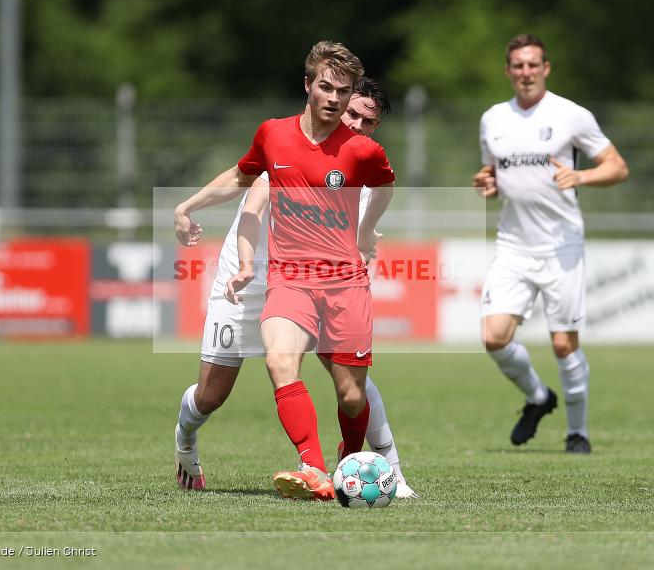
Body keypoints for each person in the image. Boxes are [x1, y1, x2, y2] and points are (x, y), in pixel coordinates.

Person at [173, 77, 416, 498]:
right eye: (352, 114)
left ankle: (386, 472)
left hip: (307, 282)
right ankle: (185, 440)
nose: (356, 124)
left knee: (349, 377)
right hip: (246, 278)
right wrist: (201, 219)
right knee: (212, 395)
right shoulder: (294, 145)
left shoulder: (359, 164)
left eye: (368, 121)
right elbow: (250, 200)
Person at [223, 41, 395, 500]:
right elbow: (245, 181)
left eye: (344, 91)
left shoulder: (363, 150)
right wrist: (194, 212)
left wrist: (365, 232)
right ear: (308, 85)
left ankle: (350, 460)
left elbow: (385, 186)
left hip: (345, 282)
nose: (334, 99)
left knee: (352, 396)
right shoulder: (273, 135)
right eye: (326, 87)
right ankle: (313, 467)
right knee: (280, 361)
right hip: (290, 278)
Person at [472, 34, 629, 454]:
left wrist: (581, 176)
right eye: (518, 65)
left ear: (545, 69)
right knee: (494, 337)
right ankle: (538, 397)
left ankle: (578, 433)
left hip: (561, 246)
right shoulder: (493, 119)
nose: (526, 72)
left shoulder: (571, 115)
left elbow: (617, 167)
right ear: (508, 71)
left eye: (533, 64)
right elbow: (492, 174)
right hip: (513, 244)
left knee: (563, 343)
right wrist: (487, 183)